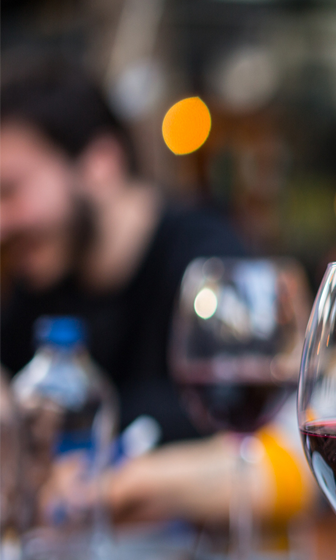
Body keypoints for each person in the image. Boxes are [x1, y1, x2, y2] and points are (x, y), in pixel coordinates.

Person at [0, 58, 311, 522]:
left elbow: (285, 446)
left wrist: (124, 483)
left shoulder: (209, 260)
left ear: (99, 165)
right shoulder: (36, 288)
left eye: (11, 191)